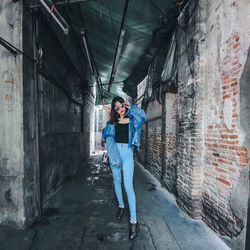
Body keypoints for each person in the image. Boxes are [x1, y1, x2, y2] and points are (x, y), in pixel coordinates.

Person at [102, 96, 147, 240]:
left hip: (127, 158)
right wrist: (112, 156)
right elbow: (107, 138)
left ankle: (134, 221)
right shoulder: (111, 123)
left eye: (121, 105)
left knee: (128, 186)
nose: (120, 108)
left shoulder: (133, 119)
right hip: (115, 157)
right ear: (114, 110)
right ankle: (121, 206)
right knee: (117, 182)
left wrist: (132, 107)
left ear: (124, 104)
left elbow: (144, 117)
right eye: (116, 108)